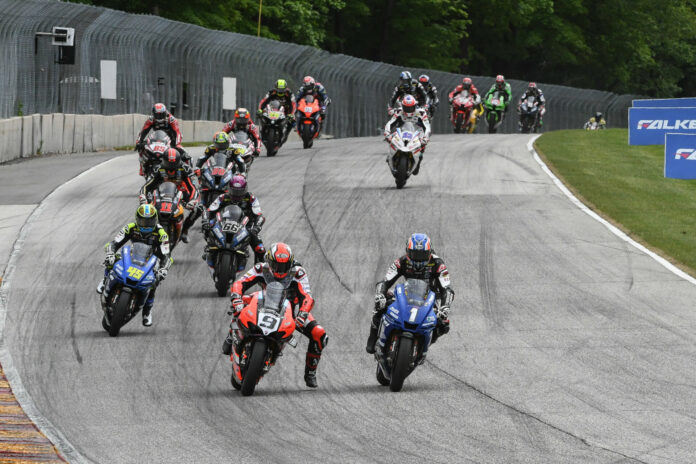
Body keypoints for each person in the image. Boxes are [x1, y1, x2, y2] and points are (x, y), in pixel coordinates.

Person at [224, 243, 328, 388]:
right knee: (240, 304)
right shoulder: (261, 268)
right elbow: (240, 283)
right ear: (269, 261)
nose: (280, 271)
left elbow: (307, 297)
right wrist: (236, 298)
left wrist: (302, 314)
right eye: (276, 265)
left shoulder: (298, 273)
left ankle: (310, 373)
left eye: (284, 267)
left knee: (319, 334)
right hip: (264, 301)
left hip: (291, 310)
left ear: (291, 263)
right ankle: (231, 335)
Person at [366, 233, 454, 354]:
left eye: (422, 255)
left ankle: (424, 345)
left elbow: (447, 289)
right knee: (380, 304)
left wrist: (445, 306)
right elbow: (385, 281)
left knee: (443, 324)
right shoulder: (401, 262)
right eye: (414, 254)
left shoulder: (439, 264)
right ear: (408, 252)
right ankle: (373, 337)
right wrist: (380, 294)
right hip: (407, 294)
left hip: (429, 300)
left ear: (429, 253)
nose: (418, 258)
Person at [96, 204, 172, 327]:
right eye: (143, 221)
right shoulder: (130, 227)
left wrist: (164, 269)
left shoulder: (161, 233)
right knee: (112, 259)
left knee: (154, 281)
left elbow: (167, 255)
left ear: (156, 219)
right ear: (137, 219)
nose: (146, 224)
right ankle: (105, 279)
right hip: (131, 255)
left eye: (150, 221)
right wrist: (110, 253)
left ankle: (147, 311)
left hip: (151, 260)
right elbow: (114, 243)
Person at [202, 174, 266, 270]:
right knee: (208, 226)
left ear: (245, 189)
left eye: (239, 191)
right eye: (234, 191)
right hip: (224, 224)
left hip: (245, 227)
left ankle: (260, 271)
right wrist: (206, 221)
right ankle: (209, 247)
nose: (236, 194)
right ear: (229, 189)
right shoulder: (222, 197)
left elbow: (260, 216)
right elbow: (209, 211)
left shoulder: (251, 199)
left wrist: (256, 227)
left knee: (260, 248)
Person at [140, 148, 201, 244]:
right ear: (163, 161)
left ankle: (184, 230)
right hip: (160, 193)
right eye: (168, 164)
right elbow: (147, 186)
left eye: (173, 164)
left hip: (181, 192)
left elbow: (193, 187)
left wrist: (192, 200)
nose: (171, 167)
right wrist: (143, 197)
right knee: (145, 208)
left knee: (198, 209)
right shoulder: (158, 168)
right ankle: (146, 231)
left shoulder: (185, 168)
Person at [383, 94, 431, 175]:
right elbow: (390, 123)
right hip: (402, 130)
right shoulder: (399, 111)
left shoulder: (421, 112)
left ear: (415, 105)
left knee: (423, 144)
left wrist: (425, 138)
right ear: (402, 106)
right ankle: (390, 156)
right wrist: (387, 133)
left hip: (418, 131)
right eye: (406, 107)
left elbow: (427, 126)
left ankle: (419, 159)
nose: (408, 110)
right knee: (391, 139)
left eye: (411, 107)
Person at [258, 79, 297, 144]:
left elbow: (293, 104)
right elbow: (264, 101)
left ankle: (286, 132)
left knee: (292, 121)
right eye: (279, 89)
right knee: (261, 116)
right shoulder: (271, 92)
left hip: (285, 111)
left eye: (282, 89)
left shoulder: (289, 93)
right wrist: (260, 109)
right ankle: (263, 130)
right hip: (272, 110)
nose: (280, 91)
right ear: (276, 88)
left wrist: (291, 114)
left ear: (285, 88)